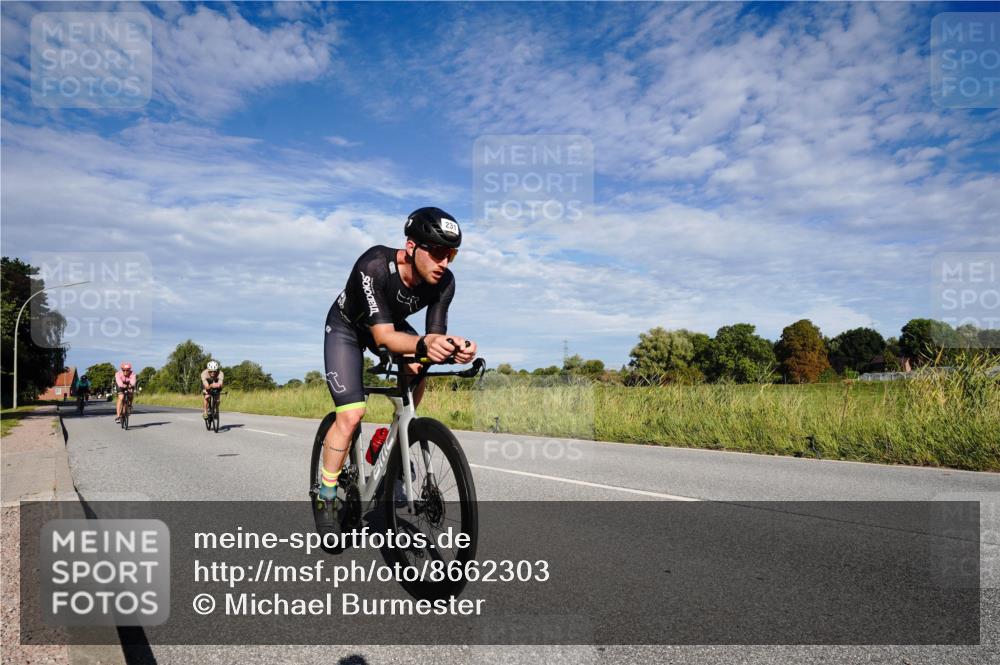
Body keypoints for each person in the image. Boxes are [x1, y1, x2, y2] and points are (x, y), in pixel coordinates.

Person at [315, 207, 477, 536]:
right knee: (351, 414)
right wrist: (423, 345)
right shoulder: (374, 264)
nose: (444, 263)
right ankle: (326, 494)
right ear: (412, 246)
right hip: (348, 328)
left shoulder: (445, 282)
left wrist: (453, 348)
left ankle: (397, 434)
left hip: (389, 323)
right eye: (438, 252)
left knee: (420, 363)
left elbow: (431, 337)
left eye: (452, 254)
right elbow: (383, 337)